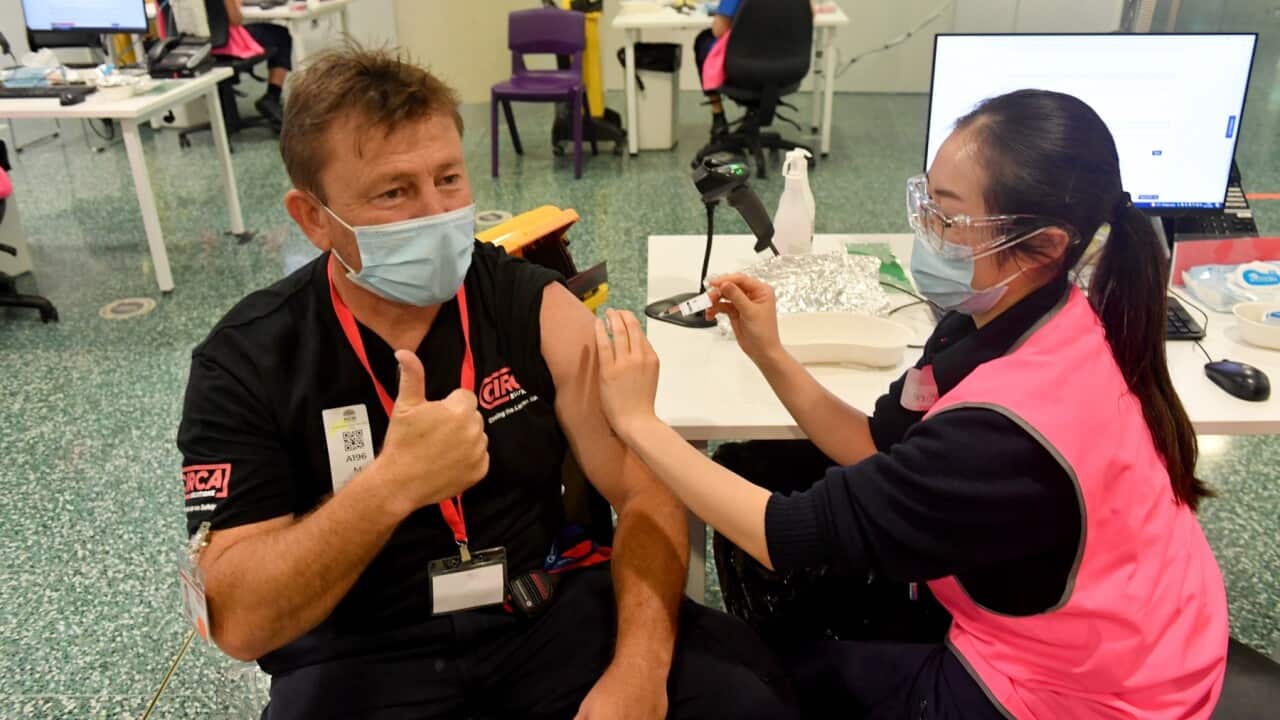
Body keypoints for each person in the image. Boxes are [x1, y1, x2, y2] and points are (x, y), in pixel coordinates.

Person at [176, 45, 797, 719]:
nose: (435, 213)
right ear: (314, 218)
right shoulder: (248, 360)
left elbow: (647, 491)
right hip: (360, 652)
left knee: (745, 701)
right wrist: (389, 489)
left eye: (448, 179)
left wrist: (638, 669)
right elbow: (237, 620)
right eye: (393, 192)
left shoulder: (536, 308)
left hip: (540, 612)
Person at [592, 89, 1229, 718]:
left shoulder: (1007, 430)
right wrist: (771, 354)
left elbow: (782, 537)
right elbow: (873, 445)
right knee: (759, 487)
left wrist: (638, 423)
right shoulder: (1017, 317)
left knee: (757, 678)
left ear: (1045, 245)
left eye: (948, 219)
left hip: (1084, 691)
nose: (927, 233)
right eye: (926, 203)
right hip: (1124, 630)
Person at [218, 0, 291, 127]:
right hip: (228, 42)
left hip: (201, 46)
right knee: (282, 36)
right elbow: (235, 20)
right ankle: (272, 97)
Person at [692, 0, 740, 139]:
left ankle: (718, 114)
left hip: (743, 63)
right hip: (785, 63)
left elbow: (719, 30)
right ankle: (753, 114)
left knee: (703, 41)